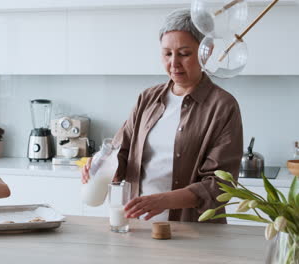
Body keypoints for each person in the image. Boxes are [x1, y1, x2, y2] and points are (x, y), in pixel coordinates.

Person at [82, 9, 243, 223]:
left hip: (194, 231)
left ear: (207, 50)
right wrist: (102, 165)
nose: (174, 63)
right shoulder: (148, 98)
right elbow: (120, 151)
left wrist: (164, 201)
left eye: (184, 54)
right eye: (167, 54)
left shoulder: (222, 106)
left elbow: (220, 185)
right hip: (139, 226)